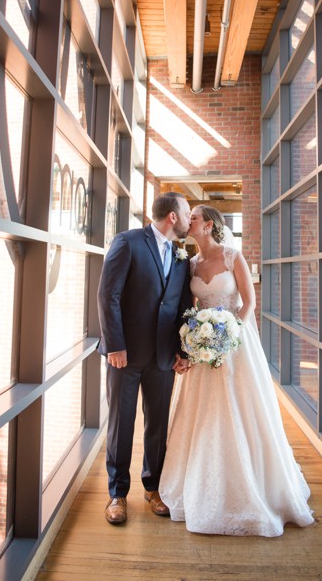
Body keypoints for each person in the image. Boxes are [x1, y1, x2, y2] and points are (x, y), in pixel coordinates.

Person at [159, 205, 314, 536]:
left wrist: (227, 334)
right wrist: (192, 345)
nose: (189, 221)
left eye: (195, 217)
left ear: (208, 225)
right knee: (205, 414)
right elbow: (190, 308)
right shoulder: (190, 265)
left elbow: (249, 302)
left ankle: (256, 485)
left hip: (236, 343)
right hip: (203, 349)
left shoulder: (232, 256)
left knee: (242, 409)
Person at [97, 192, 193, 525]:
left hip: (163, 357)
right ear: (173, 217)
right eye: (187, 211)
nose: (190, 217)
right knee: (121, 425)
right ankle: (116, 493)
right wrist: (115, 345)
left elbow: (182, 306)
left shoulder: (182, 257)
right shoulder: (128, 242)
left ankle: (152, 488)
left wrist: (183, 352)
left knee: (157, 426)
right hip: (125, 356)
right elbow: (108, 295)